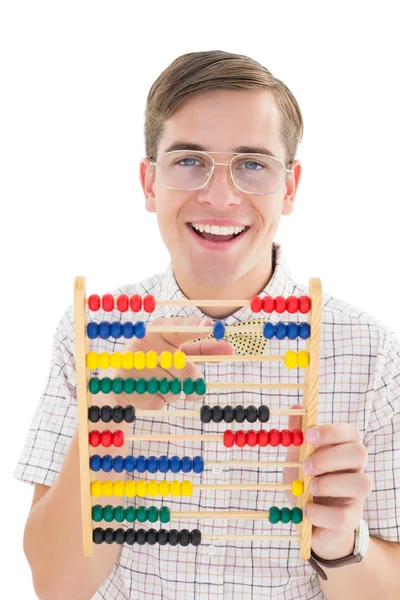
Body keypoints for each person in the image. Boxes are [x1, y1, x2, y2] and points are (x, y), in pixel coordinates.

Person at [14, 50, 400, 600]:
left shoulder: (369, 353)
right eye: (190, 160)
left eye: (253, 164)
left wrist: (341, 542)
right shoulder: (92, 332)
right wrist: (109, 419)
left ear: (289, 189)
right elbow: (56, 585)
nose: (220, 196)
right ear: (149, 183)